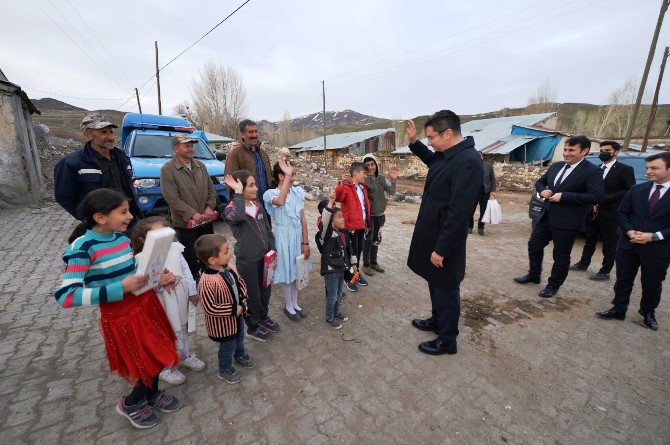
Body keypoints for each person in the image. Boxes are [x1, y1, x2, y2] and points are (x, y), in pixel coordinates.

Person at [55, 188, 181, 429]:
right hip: (122, 317)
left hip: (145, 306)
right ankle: (132, 403)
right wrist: (118, 288)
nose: (130, 216)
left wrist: (157, 279)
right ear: (100, 217)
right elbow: (66, 296)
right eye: (123, 212)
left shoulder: (122, 239)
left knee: (156, 353)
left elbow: (135, 273)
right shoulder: (83, 248)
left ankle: (151, 395)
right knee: (146, 361)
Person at [407, 110, 483, 356]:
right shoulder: (447, 154)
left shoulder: (469, 161)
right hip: (432, 234)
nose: (430, 142)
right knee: (434, 281)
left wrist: (442, 248)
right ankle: (437, 320)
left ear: (448, 133)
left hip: (445, 240)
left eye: (431, 137)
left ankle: (447, 340)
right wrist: (414, 143)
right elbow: (432, 160)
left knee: (447, 288)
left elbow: (459, 212)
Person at [514, 135, 604, 298]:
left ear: (584, 151)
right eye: (565, 149)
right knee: (534, 245)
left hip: (568, 221)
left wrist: (564, 196)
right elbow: (540, 182)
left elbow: (596, 196)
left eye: (571, 150)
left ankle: (553, 285)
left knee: (560, 255)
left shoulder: (593, 171)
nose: (566, 153)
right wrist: (543, 190)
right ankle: (534, 275)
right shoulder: (557, 166)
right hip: (546, 216)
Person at [596, 152, 670, 331]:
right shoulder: (637, 189)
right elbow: (622, 213)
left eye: (654, 168)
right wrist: (628, 231)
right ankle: (619, 308)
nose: (648, 172)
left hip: (658, 249)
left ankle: (648, 312)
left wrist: (653, 236)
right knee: (623, 279)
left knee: (652, 282)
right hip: (628, 245)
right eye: (647, 168)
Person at [132, 217, 206, 386]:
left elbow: (186, 269)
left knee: (182, 325)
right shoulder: (141, 259)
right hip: (162, 300)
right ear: (144, 239)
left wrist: (192, 291)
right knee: (167, 331)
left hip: (180, 294)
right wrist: (160, 283)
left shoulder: (174, 248)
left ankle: (183, 354)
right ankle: (167, 366)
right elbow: (142, 286)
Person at [223, 170, 279, 342]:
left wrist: (273, 250)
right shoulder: (230, 210)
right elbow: (238, 217)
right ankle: (253, 326)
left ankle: (263, 317)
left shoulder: (258, 206)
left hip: (265, 258)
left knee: (265, 291)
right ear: (239, 187)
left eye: (255, 184)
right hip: (247, 261)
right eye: (251, 185)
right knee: (252, 295)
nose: (256, 188)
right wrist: (238, 194)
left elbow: (268, 231)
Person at [195, 234, 256, 383]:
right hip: (224, 325)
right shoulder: (207, 281)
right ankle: (225, 369)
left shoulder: (229, 268)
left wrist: (243, 300)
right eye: (226, 251)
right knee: (227, 346)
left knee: (240, 337)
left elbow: (240, 283)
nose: (230, 254)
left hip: (238, 317)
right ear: (212, 260)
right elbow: (210, 307)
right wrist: (232, 309)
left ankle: (240, 354)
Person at [569, 141, 635, 281]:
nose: (603, 152)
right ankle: (583, 263)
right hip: (593, 211)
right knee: (590, 239)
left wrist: (607, 198)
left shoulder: (624, 169)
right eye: (601, 150)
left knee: (609, 243)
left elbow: (630, 189)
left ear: (616, 152)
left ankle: (605, 271)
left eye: (607, 150)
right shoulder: (597, 168)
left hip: (611, 213)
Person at [54, 113, 138, 222]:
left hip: (127, 221)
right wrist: (88, 219)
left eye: (111, 132)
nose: (110, 137)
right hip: (100, 224)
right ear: (88, 135)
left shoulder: (122, 157)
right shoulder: (72, 163)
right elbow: (64, 197)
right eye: (103, 132)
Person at [160, 134, 218, 280]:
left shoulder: (200, 165)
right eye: (186, 145)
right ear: (175, 148)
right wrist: (192, 213)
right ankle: (194, 284)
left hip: (205, 220)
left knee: (208, 253)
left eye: (191, 145)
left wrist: (210, 207)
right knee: (189, 258)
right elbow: (172, 198)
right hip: (185, 223)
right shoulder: (168, 169)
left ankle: (210, 280)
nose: (191, 148)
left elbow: (212, 190)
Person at [263, 157, 311, 322]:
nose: (294, 178)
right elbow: (281, 201)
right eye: (291, 174)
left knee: (298, 269)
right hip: (283, 236)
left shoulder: (298, 192)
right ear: (281, 176)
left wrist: (305, 242)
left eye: (294, 174)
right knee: (287, 270)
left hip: (297, 235)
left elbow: (303, 219)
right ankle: (288, 305)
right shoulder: (271, 194)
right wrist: (286, 180)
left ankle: (295, 303)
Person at [318, 190, 354, 329]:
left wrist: (353, 264)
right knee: (332, 295)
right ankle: (329, 317)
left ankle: (336, 312)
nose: (343, 219)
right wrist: (331, 203)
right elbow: (325, 221)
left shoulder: (341, 235)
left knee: (339, 293)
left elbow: (347, 251)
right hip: (331, 271)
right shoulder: (325, 236)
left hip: (340, 270)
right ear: (331, 223)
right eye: (339, 217)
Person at [335, 162, 371, 292]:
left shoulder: (362, 188)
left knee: (358, 250)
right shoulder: (346, 187)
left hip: (360, 226)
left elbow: (364, 208)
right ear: (355, 173)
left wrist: (366, 223)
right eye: (364, 173)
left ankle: (356, 273)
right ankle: (348, 277)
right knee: (349, 253)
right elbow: (338, 198)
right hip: (350, 226)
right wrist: (340, 184)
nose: (365, 176)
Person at [362, 155, 397, 275]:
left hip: (381, 215)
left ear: (376, 165)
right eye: (367, 165)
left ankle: (373, 262)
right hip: (369, 216)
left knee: (376, 239)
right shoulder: (364, 180)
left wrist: (393, 180)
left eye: (372, 164)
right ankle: (366, 264)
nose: (370, 167)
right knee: (368, 240)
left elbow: (391, 192)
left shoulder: (382, 178)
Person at [225, 119, 273, 202]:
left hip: (267, 204)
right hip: (249, 206)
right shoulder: (235, 154)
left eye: (256, 131)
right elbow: (230, 182)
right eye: (251, 132)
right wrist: (239, 204)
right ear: (243, 135)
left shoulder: (263, 153)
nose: (254, 135)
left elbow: (270, 178)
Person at [469, 152, 497, 236]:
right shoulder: (470, 166)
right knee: (470, 210)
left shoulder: (488, 166)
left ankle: (481, 227)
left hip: (485, 192)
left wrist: (493, 190)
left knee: (483, 211)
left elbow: (493, 179)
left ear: (482, 157)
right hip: (473, 192)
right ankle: (469, 226)